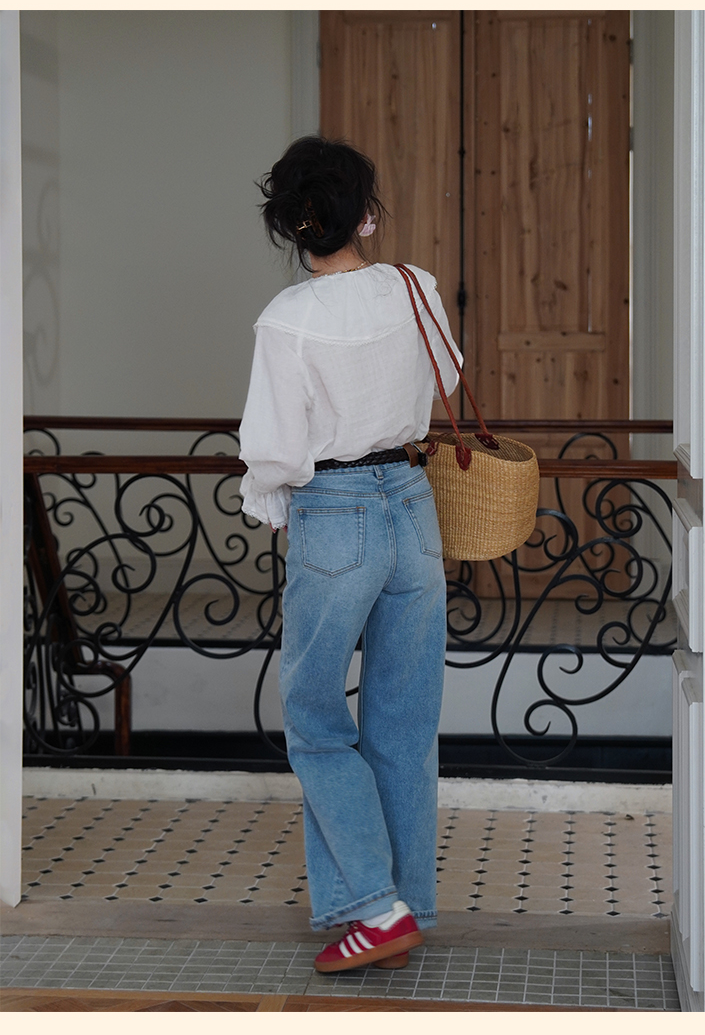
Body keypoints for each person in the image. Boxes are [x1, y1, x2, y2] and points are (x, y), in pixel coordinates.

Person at [238, 137, 461, 973]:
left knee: (316, 720)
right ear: (366, 215)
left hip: (334, 511)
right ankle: (401, 909)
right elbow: (447, 376)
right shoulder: (416, 287)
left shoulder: (287, 319)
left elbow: (274, 447)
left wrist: (270, 503)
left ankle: (374, 907)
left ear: (292, 225)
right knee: (404, 723)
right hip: (412, 502)